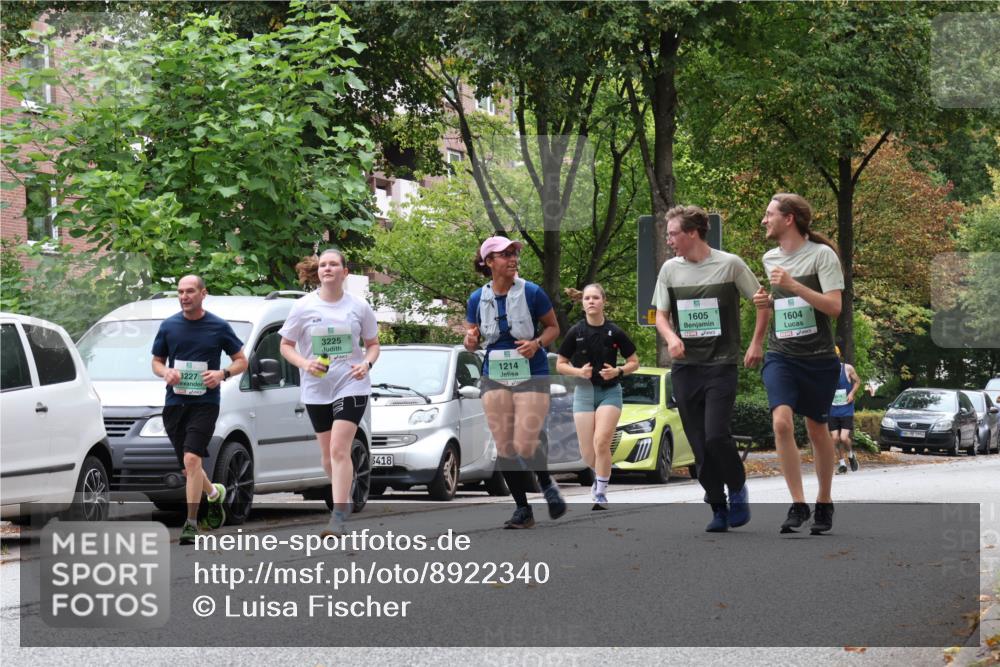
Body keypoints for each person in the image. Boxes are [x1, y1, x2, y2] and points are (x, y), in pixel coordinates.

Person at [652, 205, 769, 532]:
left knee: (717, 435)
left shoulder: (730, 265)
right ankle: (717, 506)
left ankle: (737, 487)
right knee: (699, 442)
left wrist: (756, 343)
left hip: (721, 365)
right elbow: (660, 315)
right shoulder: (669, 270)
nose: (669, 239)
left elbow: (762, 301)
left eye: (673, 233)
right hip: (686, 368)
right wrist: (671, 337)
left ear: (692, 233)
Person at [752, 193, 844, 535]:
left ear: (788, 218)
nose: (764, 220)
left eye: (769, 214)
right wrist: (765, 306)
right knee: (781, 423)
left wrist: (792, 285)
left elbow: (834, 308)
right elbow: (781, 304)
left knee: (817, 429)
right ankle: (798, 503)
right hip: (782, 354)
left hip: (818, 357)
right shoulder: (769, 257)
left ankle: (824, 501)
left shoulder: (822, 256)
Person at [465, 235, 565, 529]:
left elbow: (553, 329)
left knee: (525, 441)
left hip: (531, 369)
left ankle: (546, 483)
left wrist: (536, 344)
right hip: (495, 372)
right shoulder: (476, 298)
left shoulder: (532, 292)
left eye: (514, 253)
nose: (513, 259)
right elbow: (471, 339)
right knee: (505, 446)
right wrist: (470, 339)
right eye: (505, 254)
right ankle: (523, 509)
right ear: (489, 262)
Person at [279, 248, 380, 536]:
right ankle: (343, 494)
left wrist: (366, 364)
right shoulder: (303, 306)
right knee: (327, 456)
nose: (327, 268)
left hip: (351, 383)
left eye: (334, 264)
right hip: (316, 387)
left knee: (339, 448)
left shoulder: (358, 306)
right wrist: (304, 363)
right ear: (318, 271)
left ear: (344, 272)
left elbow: (373, 344)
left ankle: (337, 515)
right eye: (323, 264)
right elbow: (286, 345)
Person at [151, 275, 248, 545]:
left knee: (193, 461)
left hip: (205, 404)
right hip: (174, 404)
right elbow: (156, 362)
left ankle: (191, 522)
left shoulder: (218, 327)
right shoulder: (169, 326)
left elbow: (242, 361)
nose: (184, 296)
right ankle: (214, 494)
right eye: (180, 292)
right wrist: (166, 372)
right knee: (188, 465)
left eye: (190, 291)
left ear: (203, 294)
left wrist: (222, 373)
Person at [556, 284, 639, 509]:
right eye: (587, 298)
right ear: (582, 303)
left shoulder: (615, 332)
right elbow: (560, 364)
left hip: (609, 392)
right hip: (583, 392)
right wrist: (578, 372)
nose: (591, 301)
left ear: (603, 301)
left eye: (595, 298)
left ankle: (601, 492)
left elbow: (634, 361)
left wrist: (618, 370)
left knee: (601, 441)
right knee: (587, 453)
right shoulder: (576, 332)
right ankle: (602, 474)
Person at [830, 345, 862, 474]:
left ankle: (851, 455)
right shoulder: (826, 371)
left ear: (838, 356)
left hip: (846, 408)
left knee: (843, 438)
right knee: (835, 438)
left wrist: (852, 393)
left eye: (835, 357)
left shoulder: (847, 368)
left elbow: (858, 381)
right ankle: (842, 464)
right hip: (832, 408)